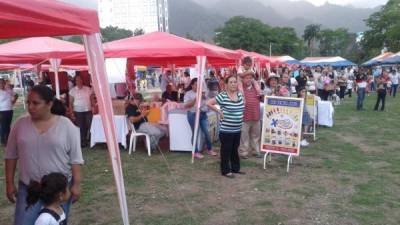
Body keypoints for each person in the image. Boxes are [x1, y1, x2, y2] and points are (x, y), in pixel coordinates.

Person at [5, 85, 83, 225]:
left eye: (36, 103)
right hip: (29, 186)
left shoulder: (66, 125)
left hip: (57, 188)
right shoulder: (20, 124)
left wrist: (76, 184)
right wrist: (9, 183)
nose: (30, 107)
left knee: (54, 221)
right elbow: (10, 155)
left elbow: (76, 158)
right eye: (29, 102)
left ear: (49, 104)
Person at [207, 75, 245, 178]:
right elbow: (209, 103)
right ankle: (225, 170)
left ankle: (235, 169)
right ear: (226, 85)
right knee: (226, 151)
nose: (233, 84)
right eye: (231, 82)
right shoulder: (222, 96)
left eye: (235, 82)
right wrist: (219, 111)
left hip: (237, 129)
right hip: (226, 130)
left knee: (234, 150)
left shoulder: (240, 95)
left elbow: (241, 107)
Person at [184, 78, 217, 159]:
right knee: (195, 133)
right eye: (196, 85)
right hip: (193, 114)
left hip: (203, 114)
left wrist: (204, 97)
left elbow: (209, 101)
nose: (198, 86)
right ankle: (195, 152)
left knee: (207, 132)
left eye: (199, 85)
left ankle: (209, 149)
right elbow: (186, 105)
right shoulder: (188, 94)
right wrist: (196, 98)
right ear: (192, 85)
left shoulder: (203, 93)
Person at [238, 73, 262, 159]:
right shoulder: (240, 89)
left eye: (250, 78)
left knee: (256, 135)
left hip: (256, 115)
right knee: (244, 136)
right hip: (244, 117)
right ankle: (243, 152)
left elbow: (262, 99)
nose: (248, 80)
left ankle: (255, 151)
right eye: (246, 78)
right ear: (243, 79)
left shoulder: (256, 88)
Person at [69, 75, 94, 147]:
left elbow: (92, 100)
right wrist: (71, 113)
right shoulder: (72, 91)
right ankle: (83, 142)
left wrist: (93, 108)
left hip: (88, 110)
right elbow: (70, 103)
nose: (79, 81)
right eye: (77, 80)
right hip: (78, 111)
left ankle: (91, 141)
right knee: (80, 127)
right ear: (75, 82)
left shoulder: (88, 89)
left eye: (80, 79)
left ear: (82, 80)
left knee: (90, 126)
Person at [0, 78, 18, 145]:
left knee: (7, 126)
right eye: (0, 83)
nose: (1, 84)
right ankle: (3, 141)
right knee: (3, 126)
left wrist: (13, 101)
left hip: (10, 110)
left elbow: (16, 95)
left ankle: (8, 139)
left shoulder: (8, 90)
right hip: (2, 111)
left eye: (3, 83)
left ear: (5, 83)